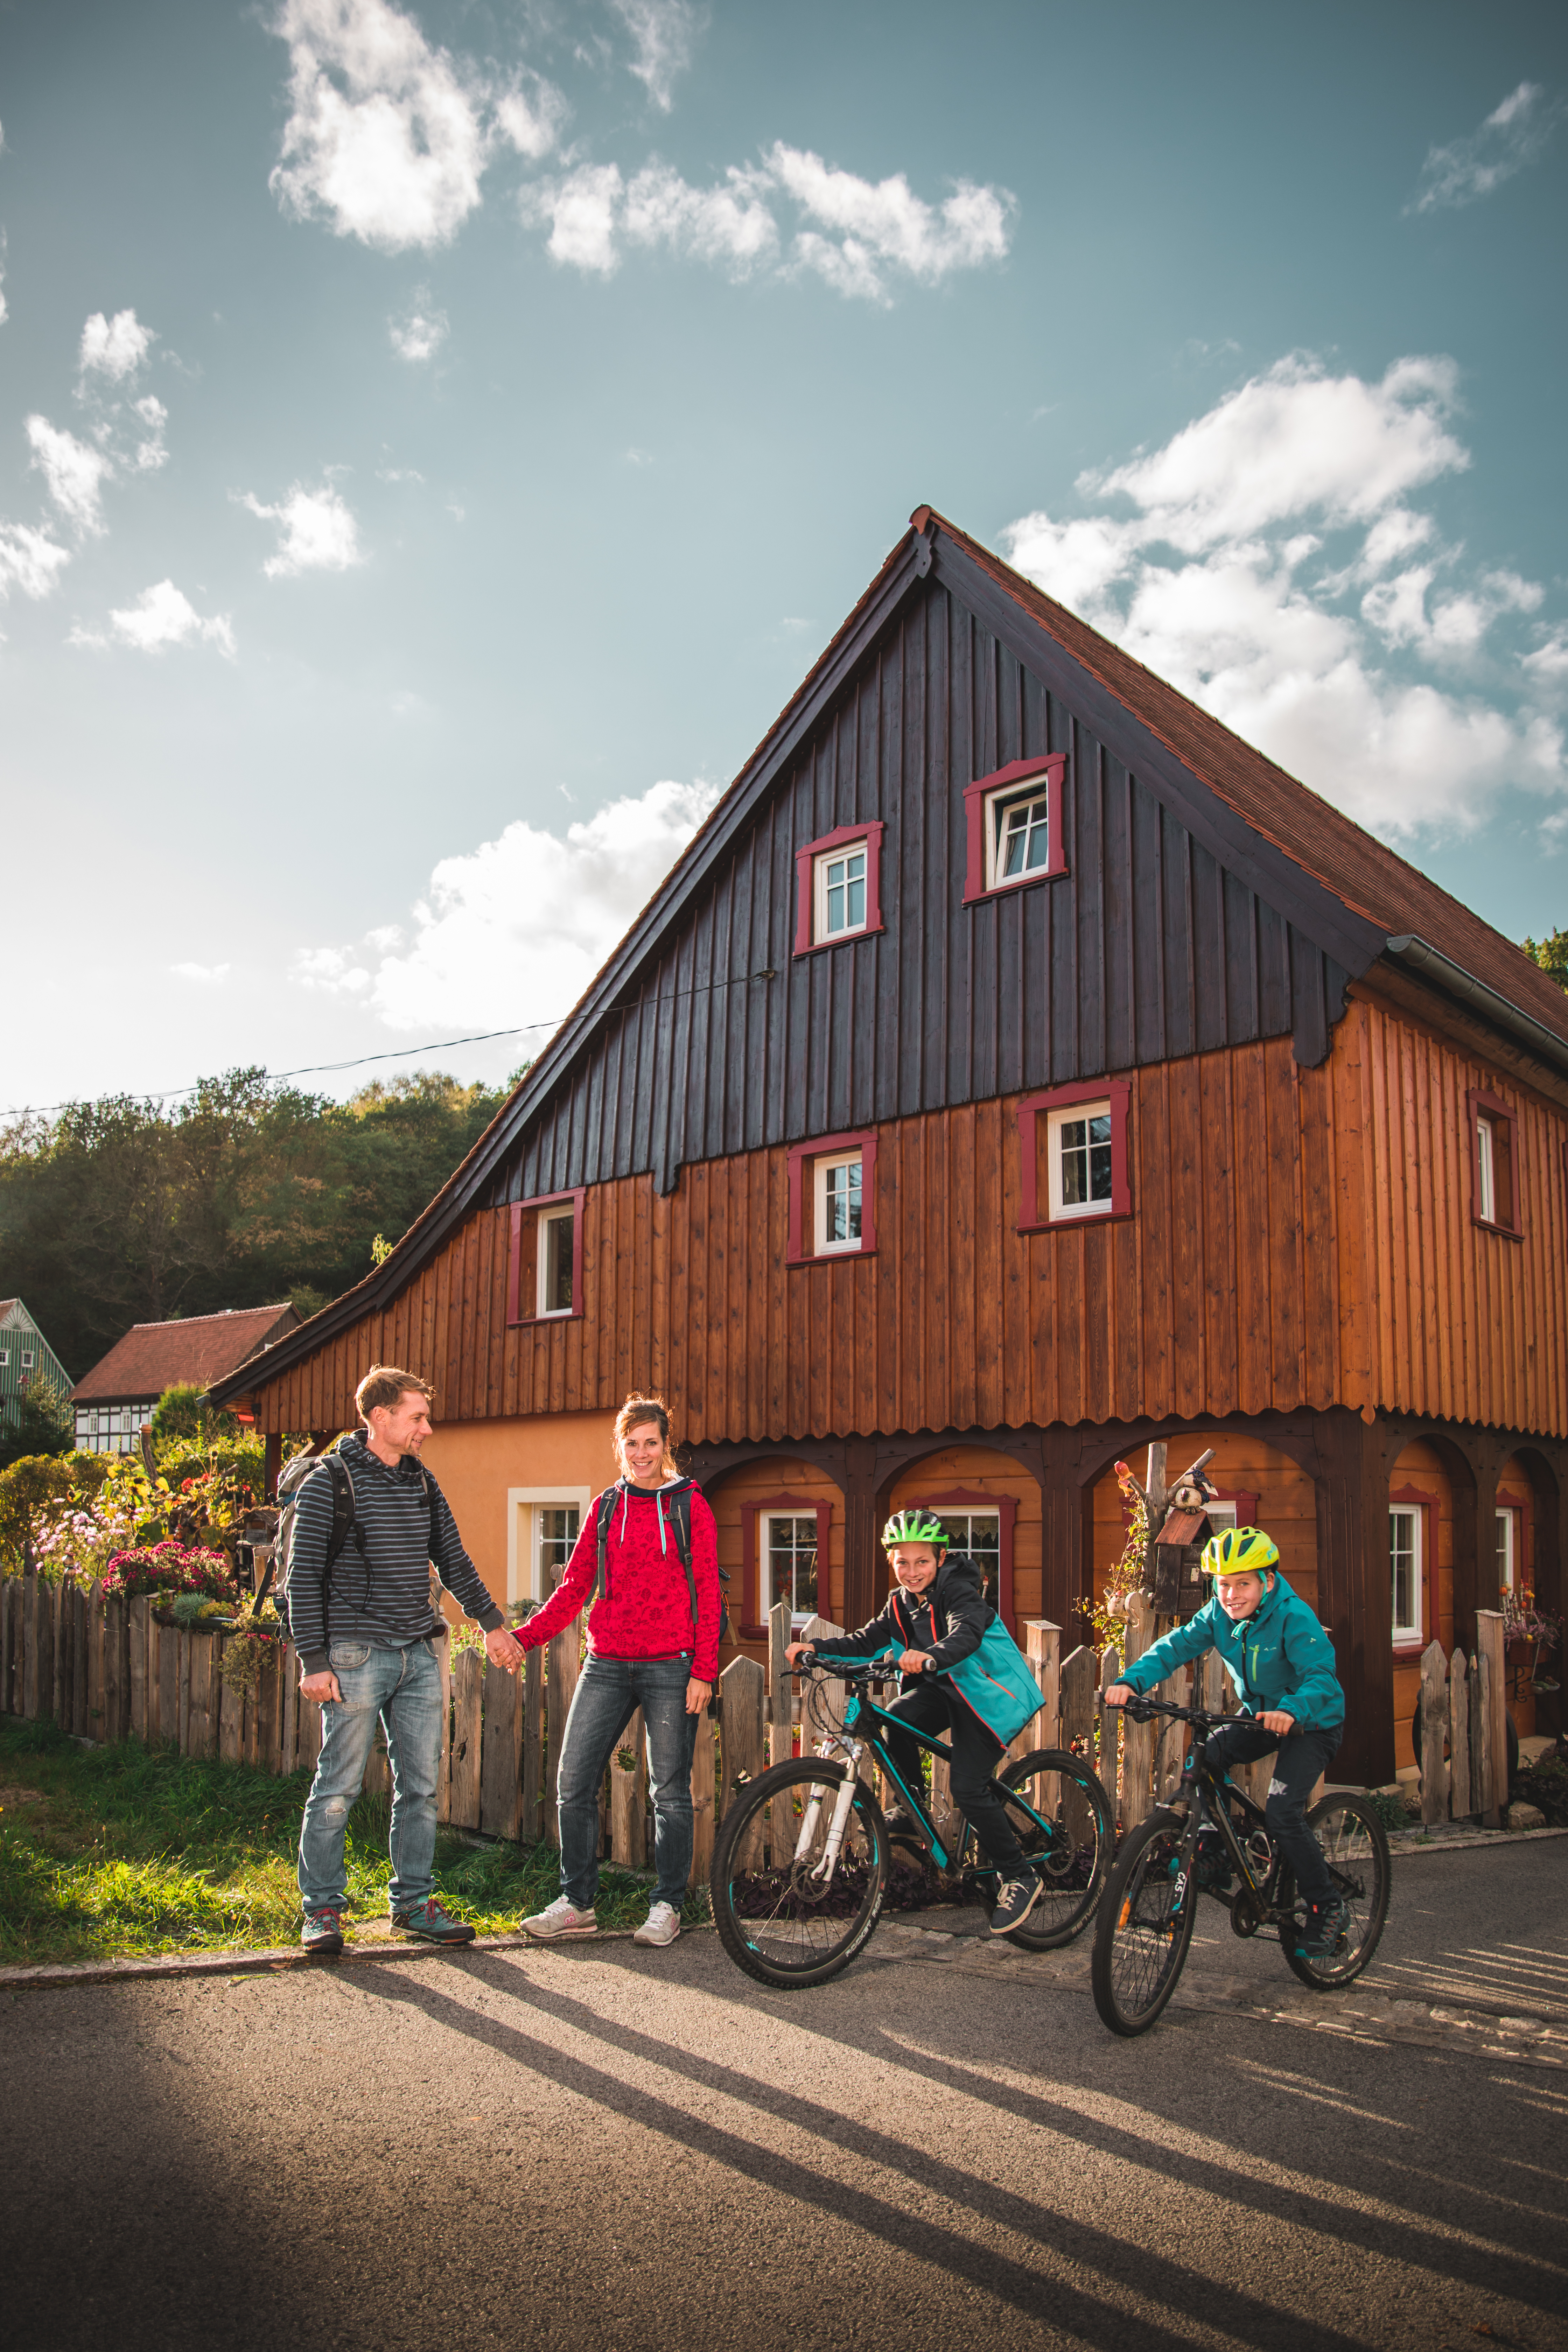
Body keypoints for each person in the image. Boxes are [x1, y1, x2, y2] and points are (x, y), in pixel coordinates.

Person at [292, 1366, 526, 1955]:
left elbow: (454, 1558)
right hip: (354, 1655)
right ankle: (322, 1910)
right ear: (381, 1418)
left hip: (421, 1653)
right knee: (339, 1787)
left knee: (421, 1789)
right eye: (417, 1416)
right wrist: (313, 1661)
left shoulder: (421, 1482)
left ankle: (414, 1905)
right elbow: (302, 1579)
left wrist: (493, 1625)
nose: (428, 1427)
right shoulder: (331, 1481)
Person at [515, 1394, 720, 1950]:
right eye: (631, 1444)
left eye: (651, 1443)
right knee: (573, 1782)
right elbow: (574, 1588)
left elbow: (708, 1590)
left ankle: (667, 1906)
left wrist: (704, 1670)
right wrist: (524, 1638)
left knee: (670, 1792)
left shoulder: (689, 1505)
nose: (641, 1454)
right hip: (606, 1663)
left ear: (666, 1445)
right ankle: (578, 1903)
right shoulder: (606, 1507)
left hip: (671, 1668)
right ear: (619, 1447)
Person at [785, 1507, 1044, 1937]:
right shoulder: (900, 1603)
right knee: (895, 1719)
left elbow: (965, 1633)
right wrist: (815, 1647)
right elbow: (866, 1640)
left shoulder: (961, 1589)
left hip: (989, 1698)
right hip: (945, 1692)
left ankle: (1020, 1875)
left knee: (967, 1787)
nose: (911, 1571)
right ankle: (913, 1809)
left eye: (921, 1561)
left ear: (941, 1558)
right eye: (901, 1562)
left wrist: (931, 1655)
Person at [1102, 1524, 1348, 1955]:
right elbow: (1174, 1647)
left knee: (1283, 1812)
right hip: (1258, 1717)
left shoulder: (1294, 1616)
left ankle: (1327, 1906)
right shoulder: (1217, 1614)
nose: (1232, 1594)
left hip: (1312, 1722)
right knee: (1207, 1759)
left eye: (1243, 1584)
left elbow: (1320, 1677)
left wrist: (1292, 1709)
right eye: (1223, 1585)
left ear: (1267, 1582)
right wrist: (1131, 1682)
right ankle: (1215, 1853)